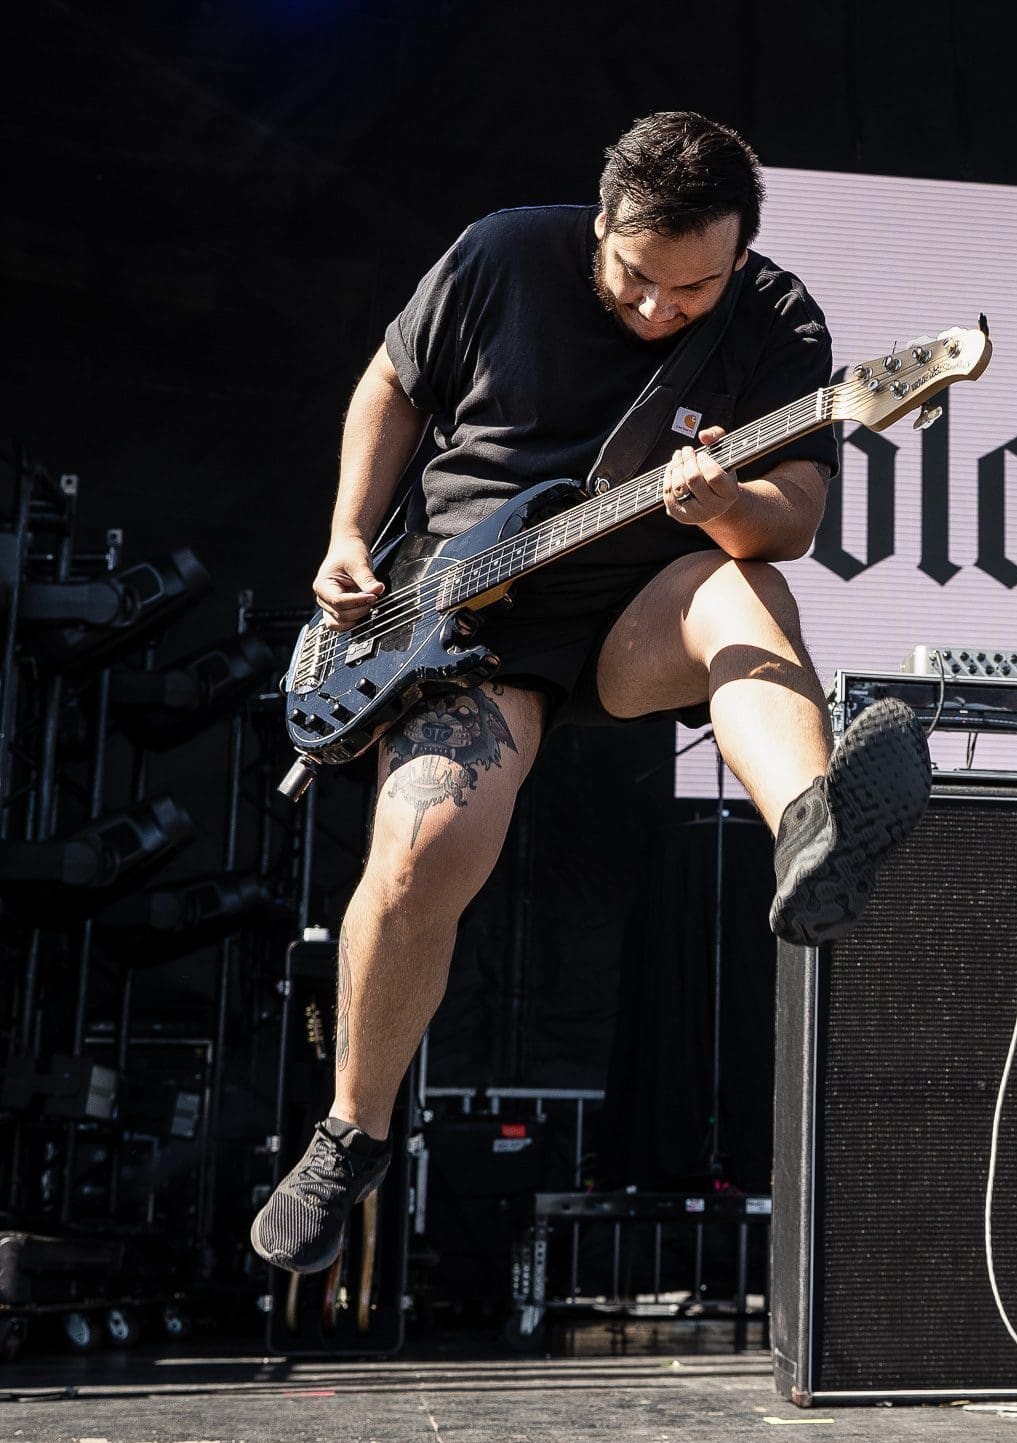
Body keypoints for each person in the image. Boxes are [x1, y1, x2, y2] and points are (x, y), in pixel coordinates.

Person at [251, 111, 930, 1274]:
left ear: (740, 251)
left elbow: (794, 521)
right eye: (635, 277)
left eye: (694, 287)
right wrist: (348, 534)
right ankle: (350, 1132)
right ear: (601, 220)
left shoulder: (778, 320)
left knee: (743, 585)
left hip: (637, 608)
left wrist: (726, 502)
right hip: (459, 617)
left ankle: (813, 831)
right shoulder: (503, 252)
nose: (660, 307)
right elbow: (391, 382)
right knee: (419, 854)